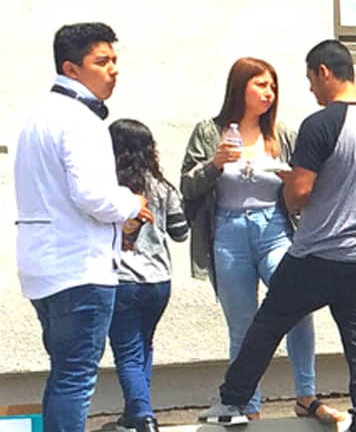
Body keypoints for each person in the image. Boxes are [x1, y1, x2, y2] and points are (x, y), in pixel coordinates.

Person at [202, 40, 356, 432]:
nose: (311, 90)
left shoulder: (321, 124)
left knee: (268, 324)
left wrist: (291, 182)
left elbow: (298, 195)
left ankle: (231, 401)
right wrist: (353, 191)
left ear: (324, 73)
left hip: (318, 249)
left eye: (311, 80)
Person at [178, 57, 334, 423]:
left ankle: (306, 395)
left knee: (296, 308)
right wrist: (214, 164)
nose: (269, 93)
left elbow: (309, 185)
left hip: (275, 228)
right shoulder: (208, 131)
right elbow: (187, 185)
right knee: (242, 324)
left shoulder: (282, 135)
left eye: (273, 86)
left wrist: (290, 179)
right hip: (228, 230)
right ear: (240, 87)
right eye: (261, 84)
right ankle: (246, 404)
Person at [15, 22, 146, 432]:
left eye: (114, 60)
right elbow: (93, 196)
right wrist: (133, 202)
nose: (113, 70)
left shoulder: (37, 118)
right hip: (79, 267)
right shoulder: (80, 120)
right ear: (71, 69)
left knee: (64, 374)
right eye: (101, 61)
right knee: (76, 378)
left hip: (43, 264)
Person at [106, 119, 189, 432]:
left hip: (121, 280)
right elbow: (180, 232)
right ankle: (134, 412)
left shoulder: (107, 189)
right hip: (158, 280)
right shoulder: (162, 186)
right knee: (144, 345)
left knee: (126, 351)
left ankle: (143, 416)